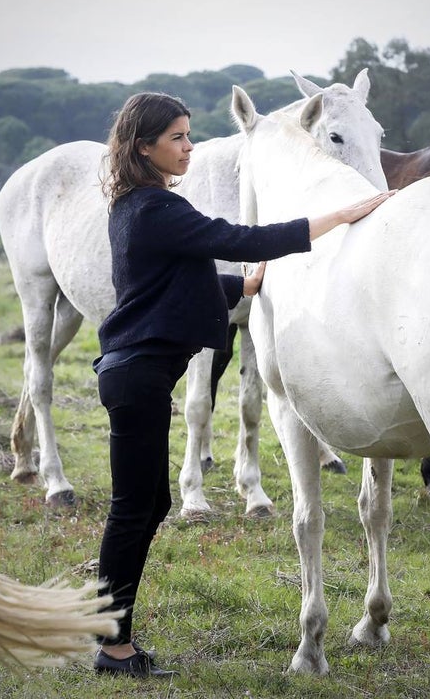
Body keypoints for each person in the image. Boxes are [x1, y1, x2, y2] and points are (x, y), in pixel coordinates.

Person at [91, 91, 393, 678]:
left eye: (188, 134)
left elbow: (161, 293)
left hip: (136, 373)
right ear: (142, 146)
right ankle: (112, 645)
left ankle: (112, 629)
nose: (189, 146)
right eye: (176, 137)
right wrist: (338, 215)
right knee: (132, 511)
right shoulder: (156, 209)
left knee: (149, 503)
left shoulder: (135, 207)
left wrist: (243, 290)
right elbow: (242, 240)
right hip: (138, 377)